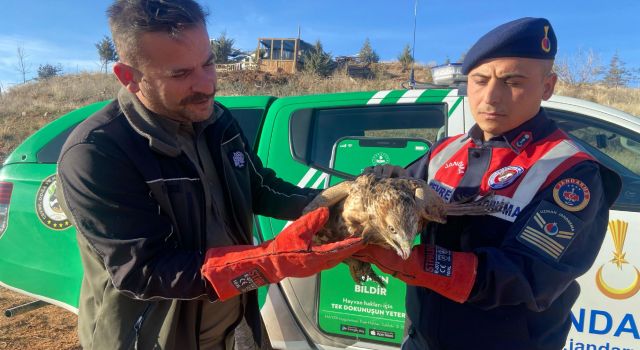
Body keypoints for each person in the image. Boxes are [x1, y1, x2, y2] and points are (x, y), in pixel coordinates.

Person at [56, 1, 364, 349]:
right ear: (130, 78)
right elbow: (145, 270)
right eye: (180, 74)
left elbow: (259, 186)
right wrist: (269, 261)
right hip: (155, 338)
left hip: (237, 327)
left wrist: (338, 204)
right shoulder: (97, 152)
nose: (206, 85)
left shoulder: (217, 120)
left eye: (208, 63)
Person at [357, 17, 621, 350]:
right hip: (421, 341)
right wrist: (327, 213)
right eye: (479, 80)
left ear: (548, 86)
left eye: (512, 81)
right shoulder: (444, 152)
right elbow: (383, 204)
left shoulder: (571, 172)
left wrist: (414, 263)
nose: (491, 97)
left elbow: (526, 275)